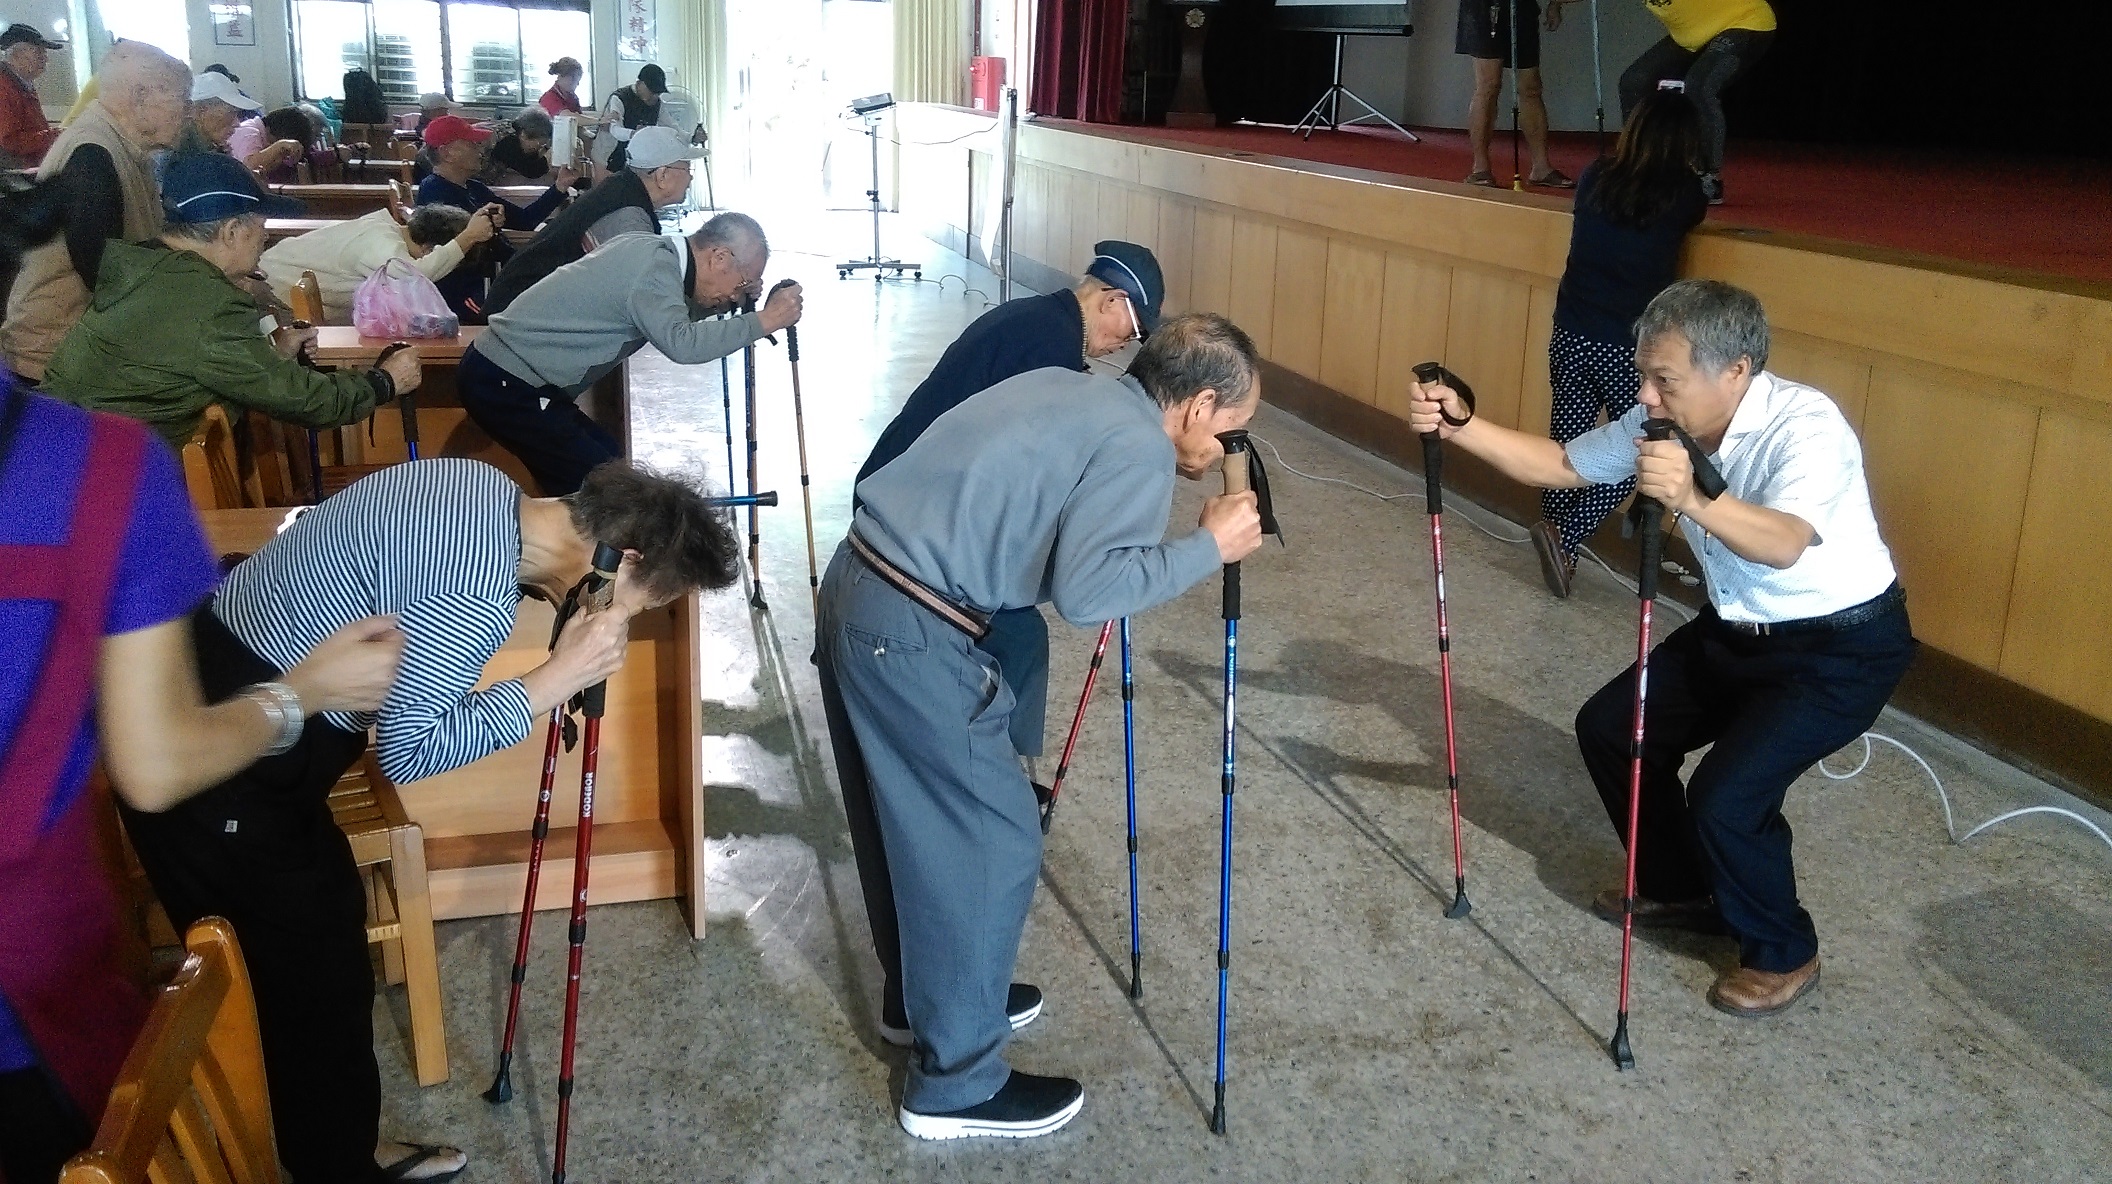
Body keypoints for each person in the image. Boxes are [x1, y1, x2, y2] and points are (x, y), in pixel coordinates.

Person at [119, 456, 741, 1184]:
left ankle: (334, 1145)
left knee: (324, 933)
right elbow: (409, 753)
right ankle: (333, 1166)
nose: (625, 616)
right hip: (221, 762)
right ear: (621, 560)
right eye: (645, 602)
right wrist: (552, 681)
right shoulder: (473, 593)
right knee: (312, 980)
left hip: (207, 672)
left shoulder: (477, 484)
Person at [0, 177, 406, 1184]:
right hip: (27, 983)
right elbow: (159, 761)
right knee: (304, 911)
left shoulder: (144, 283)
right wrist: (305, 690)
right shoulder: (92, 466)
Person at [1407, 279, 1914, 1018]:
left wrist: (1694, 500)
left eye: (1663, 379)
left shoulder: (1808, 426)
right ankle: (1686, 889)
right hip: (1736, 629)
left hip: (1838, 647)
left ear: (1735, 370)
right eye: (1644, 374)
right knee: (1612, 728)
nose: (1643, 394)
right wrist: (1459, 425)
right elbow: (1561, 464)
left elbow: (1785, 543)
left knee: (1727, 798)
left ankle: (1785, 951)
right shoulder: (1660, 423)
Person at [819, 314, 1265, 1139]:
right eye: (1235, 428)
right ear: (1201, 405)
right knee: (989, 838)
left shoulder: (1068, 387)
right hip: (915, 626)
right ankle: (955, 1085)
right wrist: (1209, 546)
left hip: (859, 582)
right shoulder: (1136, 447)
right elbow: (1091, 592)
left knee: (910, 826)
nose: (1229, 449)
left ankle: (928, 1004)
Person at [851, 241, 1161, 786]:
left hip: (905, 484)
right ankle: (995, 773)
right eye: (1130, 331)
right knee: (1019, 635)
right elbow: (1035, 477)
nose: (1124, 346)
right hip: (917, 511)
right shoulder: (1048, 347)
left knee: (1021, 630)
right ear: (1111, 299)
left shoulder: (1040, 320)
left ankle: (995, 760)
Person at [41, 152, 421, 449]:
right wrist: (385, 381)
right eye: (261, 229)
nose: (265, 239)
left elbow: (184, 361)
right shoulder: (206, 301)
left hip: (64, 447)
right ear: (231, 231)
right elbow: (304, 401)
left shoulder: (147, 268)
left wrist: (269, 356)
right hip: (113, 484)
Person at [459, 212, 801, 495]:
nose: (734, 295)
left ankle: (580, 563)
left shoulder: (656, 251)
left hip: (516, 378)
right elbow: (683, 343)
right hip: (505, 380)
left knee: (607, 468)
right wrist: (766, 320)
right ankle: (575, 568)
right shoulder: (654, 268)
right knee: (602, 486)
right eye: (742, 283)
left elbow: (675, 317)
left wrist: (747, 309)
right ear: (719, 257)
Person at [1531, 92, 1708, 596]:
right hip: (1625, 346)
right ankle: (1563, 541)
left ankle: (1552, 536)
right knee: (1632, 455)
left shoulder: (1594, 175)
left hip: (1570, 330)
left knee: (1565, 448)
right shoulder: (1684, 194)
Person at [2, 41, 188, 382]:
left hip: (88, 350)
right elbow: (106, 272)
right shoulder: (92, 153)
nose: (188, 111)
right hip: (56, 362)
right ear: (140, 97)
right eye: (181, 98)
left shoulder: (127, 145)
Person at [480, 124, 705, 317]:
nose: (691, 177)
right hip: (516, 319)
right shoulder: (629, 217)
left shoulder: (622, 188)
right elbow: (640, 297)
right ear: (662, 175)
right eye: (686, 168)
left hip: (527, 308)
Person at [414, 114, 576, 322]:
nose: (480, 150)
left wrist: (560, 186)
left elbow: (525, 220)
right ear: (447, 153)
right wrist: (487, 226)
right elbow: (456, 253)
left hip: (496, 279)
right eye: (472, 144)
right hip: (468, 294)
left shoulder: (475, 188)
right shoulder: (433, 192)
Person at [1618, 0, 1776, 204]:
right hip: (1692, 36)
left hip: (1745, 23)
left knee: (1699, 86)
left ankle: (1707, 176)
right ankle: (1639, 163)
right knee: (1633, 81)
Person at [261, 202, 495, 324]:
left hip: (277, 286)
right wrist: (468, 237)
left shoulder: (388, 231)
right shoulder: (381, 245)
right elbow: (418, 274)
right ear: (429, 249)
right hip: (275, 299)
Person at [1457, 0, 1579, 188]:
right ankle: (1480, 168)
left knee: (1531, 87)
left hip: (1522, 6)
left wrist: (1555, 3)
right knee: (1489, 85)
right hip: (1484, 7)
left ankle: (1541, 168)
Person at [0, 23, 65, 168]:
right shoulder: (4, 87)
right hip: (15, 177)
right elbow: (10, 143)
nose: (45, 58)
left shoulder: (21, 83)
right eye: (39, 52)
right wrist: (57, 136)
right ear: (17, 54)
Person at [170, 68, 265, 162]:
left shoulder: (204, 154)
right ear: (200, 111)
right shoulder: (188, 160)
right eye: (231, 113)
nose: (237, 124)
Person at [595, 63, 676, 172]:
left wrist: (692, 137)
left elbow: (672, 127)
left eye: (658, 93)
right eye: (652, 91)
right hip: (607, 156)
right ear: (639, 83)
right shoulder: (619, 98)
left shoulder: (658, 104)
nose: (655, 96)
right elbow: (615, 130)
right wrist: (635, 134)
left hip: (635, 159)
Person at [227, 104, 318, 185]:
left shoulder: (260, 132)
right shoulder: (248, 131)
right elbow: (251, 169)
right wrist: (280, 145)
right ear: (270, 131)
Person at [482, 106, 555, 184]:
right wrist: (547, 160)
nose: (538, 149)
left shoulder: (514, 128)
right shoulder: (507, 141)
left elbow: (530, 157)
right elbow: (531, 171)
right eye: (538, 145)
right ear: (524, 135)